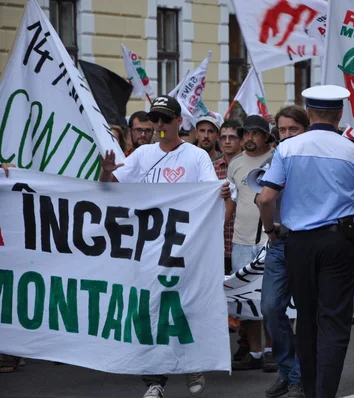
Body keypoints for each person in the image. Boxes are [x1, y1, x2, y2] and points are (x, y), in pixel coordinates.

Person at [98, 95, 231, 398]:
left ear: (177, 122)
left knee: (182, 306)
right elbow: (110, 187)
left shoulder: (195, 157)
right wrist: (106, 170)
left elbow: (211, 192)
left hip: (183, 246)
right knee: (149, 307)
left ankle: (191, 362)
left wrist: (222, 192)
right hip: (146, 245)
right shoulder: (143, 154)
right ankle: (154, 382)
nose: (159, 125)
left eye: (164, 119)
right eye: (155, 119)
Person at [257, 85, 354, 398]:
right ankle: (326, 392)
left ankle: (309, 390)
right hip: (340, 240)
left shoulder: (288, 149)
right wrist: (341, 200)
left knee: (307, 320)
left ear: (309, 114)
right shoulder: (353, 150)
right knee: (335, 321)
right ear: (339, 115)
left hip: (299, 243)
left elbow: (266, 198)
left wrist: (271, 230)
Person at [255, 105, 309, 398]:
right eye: (282, 130)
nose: (286, 135)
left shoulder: (311, 157)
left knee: (307, 313)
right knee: (271, 308)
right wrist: (270, 227)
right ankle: (287, 371)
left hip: (307, 242)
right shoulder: (276, 156)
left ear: (305, 129)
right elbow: (264, 198)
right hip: (279, 242)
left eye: (293, 129)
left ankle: (299, 375)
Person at [227, 115, 276, 372]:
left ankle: (271, 350)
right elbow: (232, 200)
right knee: (246, 300)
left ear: (266, 136)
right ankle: (255, 352)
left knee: (270, 299)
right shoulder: (235, 163)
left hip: (270, 238)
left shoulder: (277, 158)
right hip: (242, 239)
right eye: (246, 133)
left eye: (256, 133)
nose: (249, 138)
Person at [213, 119, 243, 275]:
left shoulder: (250, 167)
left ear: (241, 139)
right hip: (217, 243)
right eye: (223, 137)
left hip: (244, 241)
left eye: (232, 137)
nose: (227, 141)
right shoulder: (211, 168)